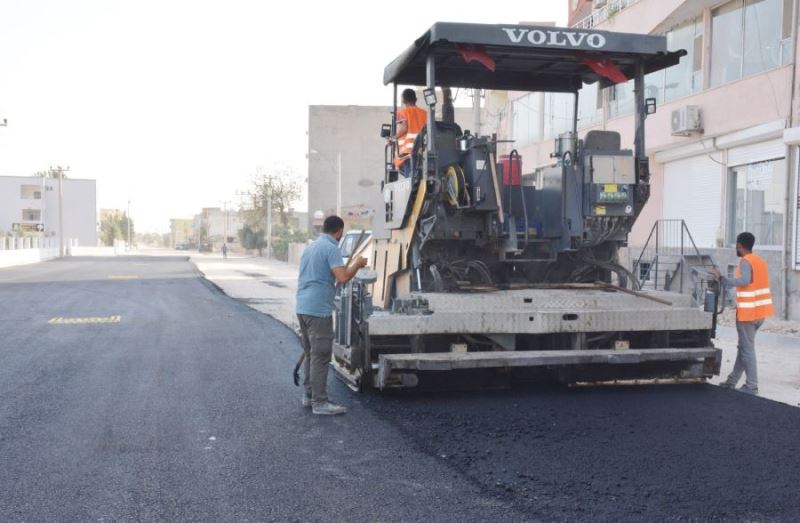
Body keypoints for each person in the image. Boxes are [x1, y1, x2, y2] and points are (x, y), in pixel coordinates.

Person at [295, 215, 368, 415]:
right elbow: (343, 277)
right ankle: (320, 403)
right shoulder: (331, 248)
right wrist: (358, 265)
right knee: (321, 356)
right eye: (341, 233)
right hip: (318, 310)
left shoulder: (311, 247)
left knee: (312, 354)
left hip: (303, 307)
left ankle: (309, 396)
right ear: (338, 232)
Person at [711, 232, 774, 396]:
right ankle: (732, 381)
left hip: (748, 314)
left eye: (736, 246)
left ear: (740, 245)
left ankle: (752, 386)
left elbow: (745, 280)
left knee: (747, 350)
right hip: (760, 313)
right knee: (743, 348)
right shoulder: (759, 261)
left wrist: (723, 279)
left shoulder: (746, 261)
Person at [393, 88, 427, 177]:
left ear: (403, 101)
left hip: (408, 153)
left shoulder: (401, 113)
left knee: (410, 181)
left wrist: (393, 138)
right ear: (416, 99)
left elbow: (403, 128)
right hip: (422, 151)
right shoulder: (425, 114)